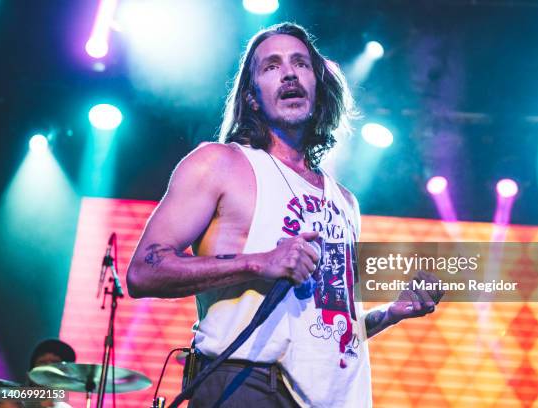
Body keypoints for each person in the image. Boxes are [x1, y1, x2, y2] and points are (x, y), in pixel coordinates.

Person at [127, 22, 443, 408]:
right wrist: (261, 263)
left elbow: (325, 328)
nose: (289, 73)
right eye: (272, 66)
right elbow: (144, 271)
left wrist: (389, 314)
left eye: (300, 64)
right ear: (253, 97)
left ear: (317, 87)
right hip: (246, 384)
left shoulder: (344, 201)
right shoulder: (221, 163)